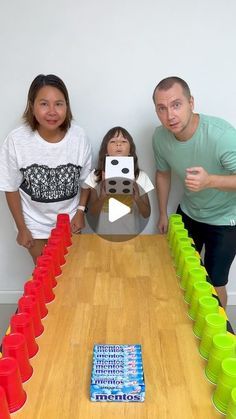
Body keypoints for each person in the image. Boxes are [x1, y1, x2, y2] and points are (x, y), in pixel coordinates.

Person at [152, 76, 236, 308]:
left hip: (226, 218)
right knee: (182, 271)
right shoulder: (160, 137)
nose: (170, 115)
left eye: (176, 105)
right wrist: (162, 213)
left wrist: (210, 181)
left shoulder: (222, 135)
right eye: (162, 108)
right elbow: (162, 173)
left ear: (191, 103)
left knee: (214, 283)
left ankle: (219, 336)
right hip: (189, 212)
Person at [0, 74, 92, 263]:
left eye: (59, 104)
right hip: (34, 224)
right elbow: (10, 188)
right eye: (44, 104)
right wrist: (22, 228)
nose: (52, 111)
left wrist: (81, 212)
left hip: (70, 220)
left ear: (67, 106)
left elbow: (86, 181)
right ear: (32, 106)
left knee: (72, 273)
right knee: (46, 276)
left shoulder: (79, 137)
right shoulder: (16, 140)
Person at [84, 126, 153, 236]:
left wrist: (137, 198)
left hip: (130, 236)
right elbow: (92, 213)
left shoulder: (140, 176)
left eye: (123, 141)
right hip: (103, 236)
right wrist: (102, 197)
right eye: (113, 141)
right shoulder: (95, 176)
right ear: (105, 150)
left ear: (130, 150)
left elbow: (146, 213)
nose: (118, 144)